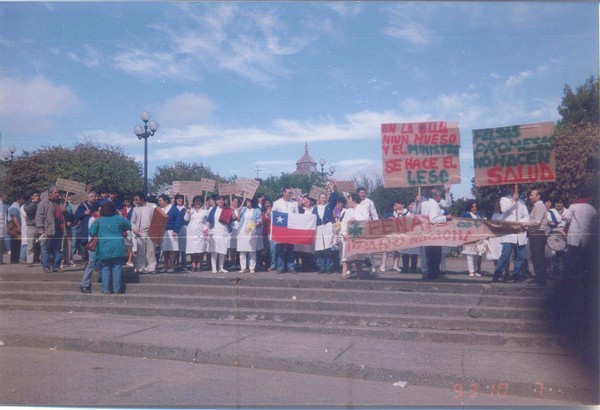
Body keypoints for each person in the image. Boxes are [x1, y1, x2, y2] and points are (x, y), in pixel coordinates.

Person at [89, 201, 131, 294]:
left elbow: (91, 232)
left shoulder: (99, 220)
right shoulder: (119, 218)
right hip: (118, 246)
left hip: (104, 247)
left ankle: (105, 289)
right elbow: (128, 225)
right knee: (117, 267)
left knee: (105, 268)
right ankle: (117, 289)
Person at [491, 187, 529, 283]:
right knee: (505, 255)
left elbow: (526, 216)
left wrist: (522, 223)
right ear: (510, 190)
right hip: (509, 233)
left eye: (516, 190)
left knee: (520, 256)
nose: (515, 191)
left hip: (520, 231)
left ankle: (516, 275)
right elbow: (504, 209)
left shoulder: (522, 203)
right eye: (513, 190)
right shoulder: (504, 200)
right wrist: (513, 200)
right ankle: (497, 275)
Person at [420, 189, 453, 281]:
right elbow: (433, 219)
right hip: (433, 233)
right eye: (440, 196)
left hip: (427, 232)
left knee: (429, 255)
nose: (440, 198)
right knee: (435, 255)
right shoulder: (434, 204)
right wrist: (446, 218)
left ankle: (431, 274)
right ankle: (434, 275)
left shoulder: (426, 203)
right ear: (437, 196)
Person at [561, 197, 598, 278]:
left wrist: (564, 218)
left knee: (570, 255)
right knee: (583, 256)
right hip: (586, 236)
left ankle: (570, 274)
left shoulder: (574, 206)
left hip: (574, 235)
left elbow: (566, 218)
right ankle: (582, 274)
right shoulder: (592, 209)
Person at [340, 192, 370, 279]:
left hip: (359, 235)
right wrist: (344, 233)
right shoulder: (348, 211)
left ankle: (359, 272)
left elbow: (366, 220)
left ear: (353, 200)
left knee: (359, 254)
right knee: (346, 255)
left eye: (349, 199)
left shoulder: (363, 209)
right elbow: (344, 223)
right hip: (348, 236)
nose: (347, 201)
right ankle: (344, 272)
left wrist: (355, 220)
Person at [35, 185, 64, 273]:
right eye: (55, 193)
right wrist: (41, 229)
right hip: (47, 229)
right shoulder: (44, 203)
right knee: (45, 249)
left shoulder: (62, 203)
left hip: (59, 229)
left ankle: (56, 267)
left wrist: (65, 211)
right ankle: (46, 267)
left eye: (58, 192)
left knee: (58, 249)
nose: (57, 194)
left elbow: (69, 216)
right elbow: (39, 216)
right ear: (50, 193)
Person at [522, 189, 548, 286]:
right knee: (536, 256)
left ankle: (540, 279)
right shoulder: (537, 206)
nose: (530, 197)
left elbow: (537, 222)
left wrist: (525, 224)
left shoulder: (540, 206)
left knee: (538, 256)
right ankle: (539, 277)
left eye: (532, 195)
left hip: (537, 233)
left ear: (538, 196)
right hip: (535, 233)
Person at [272, 187, 299, 274]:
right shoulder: (276, 203)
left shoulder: (294, 203)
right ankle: (280, 267)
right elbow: (273, 215)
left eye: (291, 193)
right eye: (289, 193)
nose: (290, 194)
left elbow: (297, 216)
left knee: (291, 248)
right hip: (280, 229)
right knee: (280, 248)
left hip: (291, 229)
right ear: (283, 193)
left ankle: (291, 267)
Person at [130, 192, 157, 274]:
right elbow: (132, 222)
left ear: (142, 199)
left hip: (150, 232)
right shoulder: (135, 209)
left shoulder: (152, 206)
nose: (135, 201)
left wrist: (154, 228)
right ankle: (140, 267)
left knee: (151, 251)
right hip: (140, 232)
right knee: (140, 251)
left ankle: (151, 268)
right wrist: (135, 230)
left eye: (137, 199)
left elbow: (157, 218)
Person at [314, 182, 338, 274]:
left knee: (328, 248)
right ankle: (321, 267)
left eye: (325, 198)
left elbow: (334, 199)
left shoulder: (329, 207)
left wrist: (332, 189)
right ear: (319, 199)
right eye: (322, 198)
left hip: (327, 227)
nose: (323, 199)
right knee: (319, 249)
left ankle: (328, 268)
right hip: (319, 228)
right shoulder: (315, 209)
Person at [157, 194, 183, 273]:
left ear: (166, 201)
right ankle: (165, 266)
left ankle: (172, 266)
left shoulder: (173, 208)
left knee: (172, 250)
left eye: (160, 200)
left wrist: (176, 230)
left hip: (172, 231)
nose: (159, 202)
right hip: (163, 232)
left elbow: (179, 220)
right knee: (165, 250)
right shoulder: (160, 209)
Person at [184, 195, 210, 272]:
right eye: (196, 201)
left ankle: (199, 264)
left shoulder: (205, 211)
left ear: (202, 202)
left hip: (201, 232)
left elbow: (208, 221)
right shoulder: (191, 210)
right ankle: (193, 264)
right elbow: (185, 219)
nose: (197, 202)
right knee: (192, 250)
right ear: (193, 202)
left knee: (200, 249)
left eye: (199, 201)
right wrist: (188, 211)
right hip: (191, 232)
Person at [237, 197, 263, 273]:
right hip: (242, 231)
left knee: (252, 251)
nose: (247, 202)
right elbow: (239, 219)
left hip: (252, 232)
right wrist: (238, 212)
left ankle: (252, 268)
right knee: (242, 250)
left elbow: (260, 221)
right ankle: (243, 268)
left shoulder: (257, 210)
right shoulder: (243, 208)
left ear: (252, 201)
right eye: (246, 200)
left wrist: (253, 225)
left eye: (248, 200)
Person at [208, 195, 233, 273]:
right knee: (214, 251)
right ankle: (214, 268)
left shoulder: (228, 209)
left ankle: (221, 267)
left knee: (222, 251)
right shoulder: (213, 210)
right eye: (219, 200)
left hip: (224, 232)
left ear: (224, 201)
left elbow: (233, 219)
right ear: (216, 201)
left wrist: (232, 211)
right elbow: (208, 220)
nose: (221, 201)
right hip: (214, 231)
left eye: (222, 200)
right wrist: (208, 230)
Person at [73, 191, 100, 260]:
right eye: (91, 196)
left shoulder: (97, 205)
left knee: (95, 242)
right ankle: (85, 259)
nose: (93, 198)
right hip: (85, 226)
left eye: (94, 196)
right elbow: (76, 216)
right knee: (86, 242)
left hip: (95, 226)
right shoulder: (82, 205)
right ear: (87, 197)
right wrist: (84, 213)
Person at [79, 207, 100, 293]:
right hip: (94, 244)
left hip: (101, 243)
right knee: (91, 263)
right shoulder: (93, 218)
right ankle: (84, 284)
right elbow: (92, 232)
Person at [379, 201, 404, 273]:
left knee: (397, 250)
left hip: (397, 234)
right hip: (389, 234)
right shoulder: (388, 214)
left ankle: (395, 265)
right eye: (395, 205)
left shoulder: (398, 213)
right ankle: (383, 265)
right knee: (387, 250)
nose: (396, 206)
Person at [461, 199, 483, 277]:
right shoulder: (466, 215)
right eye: (472, 207)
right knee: (470, 255)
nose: (474, 208)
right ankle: (471, 271)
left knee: (477, 254)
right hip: (469, 237)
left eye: (475, 206)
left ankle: (475, 270)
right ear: (469, 207)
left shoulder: (479, 215)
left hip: (478, 237)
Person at [24, 190, 41, 266]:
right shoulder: (28, 203)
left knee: (43, 244)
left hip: (40, 226)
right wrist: (34, 203)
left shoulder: (41, 203)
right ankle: (30, 261)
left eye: (38, 195)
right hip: (32, 226)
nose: (37, 197)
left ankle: (42, 259)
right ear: (32, 196)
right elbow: (28, 211)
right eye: (35, 195)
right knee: (30, 245)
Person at [8, 194, 26, 264]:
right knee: (15, 243)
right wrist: (18, 226)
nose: (23, 201)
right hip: (14, 227)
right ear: (20, 199)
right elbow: (14, 217)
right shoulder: (14, 207)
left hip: (15, 226)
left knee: (16, 243)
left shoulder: (16, 206)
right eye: (23, 199)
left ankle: (15, 259)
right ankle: (14, 260)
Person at [174, 194, 189, 272]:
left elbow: (187, 219)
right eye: (178, 198)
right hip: (175, 229)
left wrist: (187, 209)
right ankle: (175, 264)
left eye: (181, 198)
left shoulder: (186, 208)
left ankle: (184, 264)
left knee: (183, 248)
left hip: (183, 229)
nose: (179, 200)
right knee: (175, 247)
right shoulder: (173, 208)